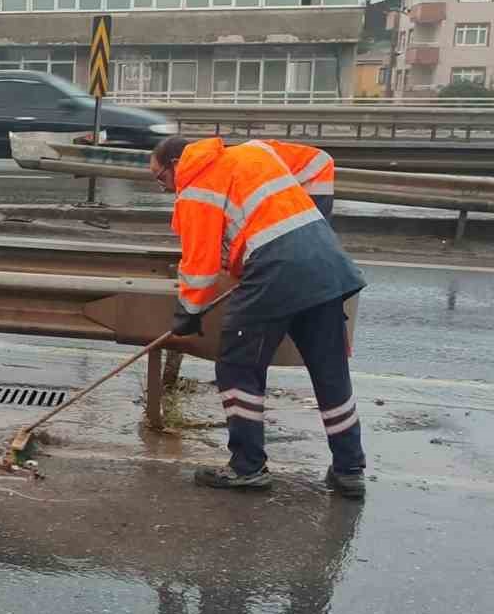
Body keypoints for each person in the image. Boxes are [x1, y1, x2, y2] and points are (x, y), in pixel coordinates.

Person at [151, 135, 367, 498]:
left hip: (274, 269)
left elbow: (199, 267)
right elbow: (319, 162)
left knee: (237, 365)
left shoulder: (195, 187)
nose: (162, 187)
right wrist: (313, 216)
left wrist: (187, 313)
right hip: (325, 258)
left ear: (176, 163)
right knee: (330, 372)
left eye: (159, 178)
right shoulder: (254, 151)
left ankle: (247, 467)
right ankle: (349, 471)